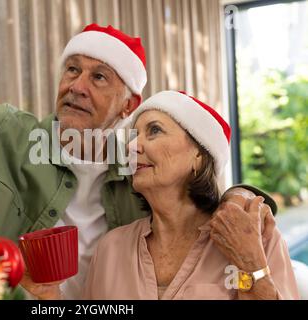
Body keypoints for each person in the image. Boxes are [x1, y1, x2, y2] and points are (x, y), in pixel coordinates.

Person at [0, 0, 278, 300]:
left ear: (129, 105)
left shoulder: (144, 170)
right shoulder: (4, 134)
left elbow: (201, 195)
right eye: (72, 69)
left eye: (99, 77)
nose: (77, 86)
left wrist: (244, 195)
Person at [82, 91, 299, 300]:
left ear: (199, 154)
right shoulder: (110, 250)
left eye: (154, 130)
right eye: (134, 136)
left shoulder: (256, 238)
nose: (131, 146)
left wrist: (250, 265)